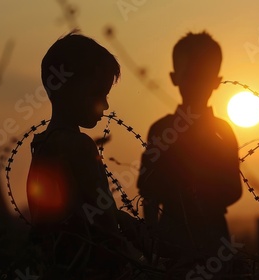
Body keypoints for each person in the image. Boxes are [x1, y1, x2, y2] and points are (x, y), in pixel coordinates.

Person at [26, 31, 138, 279]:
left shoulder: (42, 145)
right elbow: (104, 221)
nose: (105, 105)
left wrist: (120, 217)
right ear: (65, 88)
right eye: (98, 93)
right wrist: (132, 256)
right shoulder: (79, 146)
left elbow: (73, 211)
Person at [137, 31, 243, 260]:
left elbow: (235, 189)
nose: (196, 84)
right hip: (172, 238)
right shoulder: (161, 131)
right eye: (191, 76)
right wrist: (152, 240)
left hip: (212, 238)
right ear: (175, 78)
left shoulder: (222, 132)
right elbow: (148, 191)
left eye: (202, 77)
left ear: (216, 81)